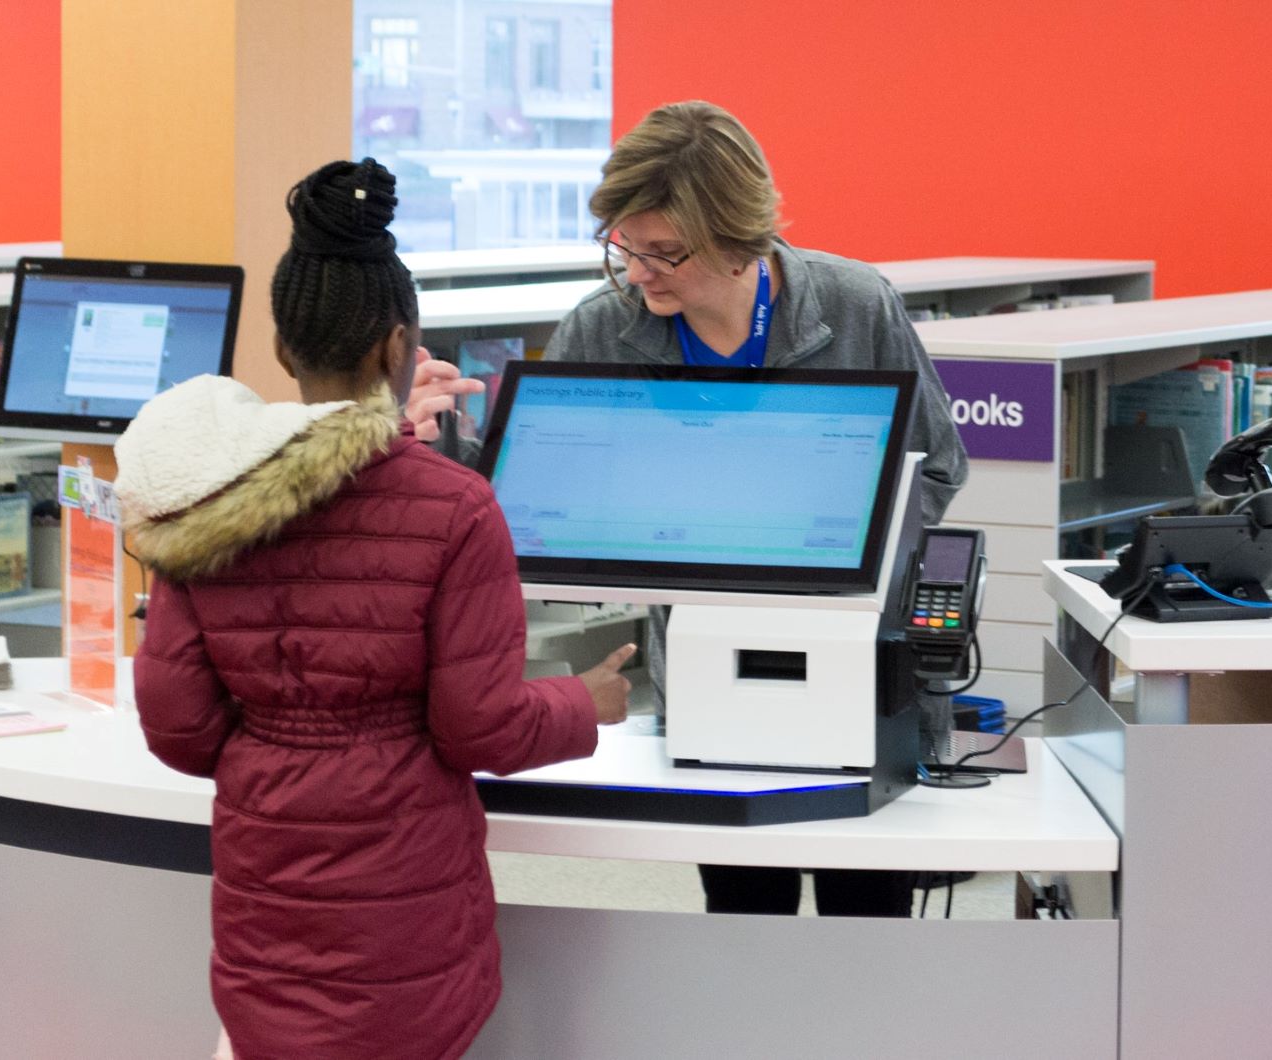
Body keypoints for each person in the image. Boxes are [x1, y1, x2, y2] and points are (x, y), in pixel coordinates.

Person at [118, 158, 638, 1060]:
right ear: (401, 346)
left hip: (263, 895)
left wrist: (281, 745)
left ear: (283, 349)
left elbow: (177, 727)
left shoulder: (202, 497)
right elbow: (478, 727)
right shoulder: (454, 508)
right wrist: (581, 704)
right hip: (405, 899)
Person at [407, 101, 969, 917]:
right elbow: (523, 506)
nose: (639, 273)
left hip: (852, 671)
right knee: (741, 909)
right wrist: (439, 452)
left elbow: (938, 470)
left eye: (665, 253)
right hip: (705, 675)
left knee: (866, 914)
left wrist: (809, 542)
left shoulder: (854, 305)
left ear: (740, 239)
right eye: (626, 249)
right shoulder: (603, 331)